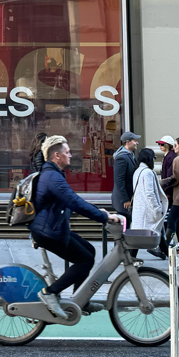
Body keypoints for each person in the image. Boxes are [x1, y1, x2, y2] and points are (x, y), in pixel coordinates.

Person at [30, 135, 122, 318]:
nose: (70, 155)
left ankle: (81, 299)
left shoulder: (53, 174)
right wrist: (103, 217)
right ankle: (50, 293)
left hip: (54, 229)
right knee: (84, 260)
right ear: (57, 155)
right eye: (67, 152)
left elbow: (72, 202)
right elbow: (74, 201)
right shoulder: (52, 177)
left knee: (89, 251)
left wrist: (99, 211)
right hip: (48, 232)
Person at [130, 147, 166, 236]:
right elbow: (149, 193)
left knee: (156, 237)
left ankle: (164, 250)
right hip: (148, 212)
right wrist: (157, 209)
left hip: (141, 210)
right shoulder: (147, 172)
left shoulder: (137, 171)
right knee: (153, 235)